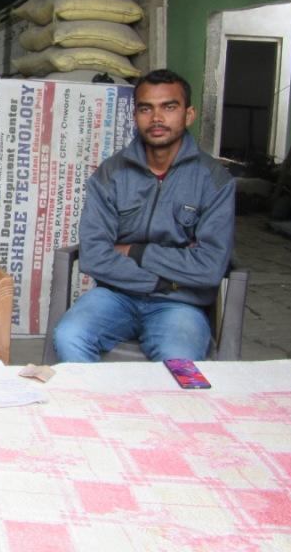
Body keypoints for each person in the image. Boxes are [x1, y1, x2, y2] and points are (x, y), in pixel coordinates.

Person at [53, 68, 235, 362]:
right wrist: (168, 278)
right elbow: (95, 256)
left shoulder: (214, 180)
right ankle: (95, 408)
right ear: (134, 115)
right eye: (146, 108)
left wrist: (134, 252)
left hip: (180, 305)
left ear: (189, 115)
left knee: (178, 358)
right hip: (115, 297)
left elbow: (210, 267)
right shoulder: (111, 174)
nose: (157, 118)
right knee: (69, 336)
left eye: (169, 107)